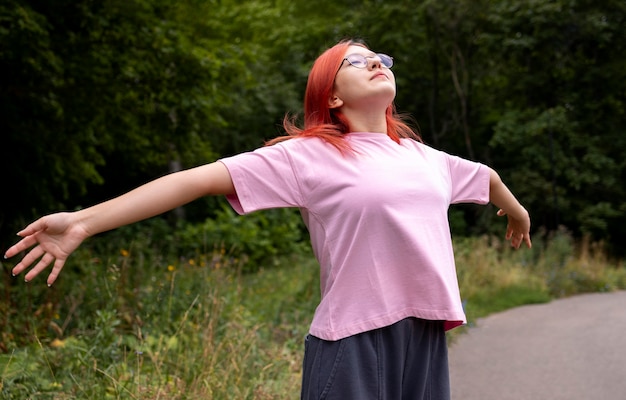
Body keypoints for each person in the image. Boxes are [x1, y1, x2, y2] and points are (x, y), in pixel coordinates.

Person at [4, 39, 531, 400]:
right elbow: (194, 180)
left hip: (426, 338)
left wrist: (516, 211)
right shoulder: (309, 157)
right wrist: (85, 222)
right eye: (356, 61)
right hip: (354, 341)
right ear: (333, 95)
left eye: (380, 57)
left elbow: (484, 177)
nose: (375, 62)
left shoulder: (424, 158)